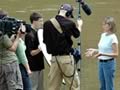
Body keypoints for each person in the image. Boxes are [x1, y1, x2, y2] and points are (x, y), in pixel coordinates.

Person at [43, 4, 83, 90]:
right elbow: (77, 34)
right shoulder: (70, 23)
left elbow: (45, 41)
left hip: (53, 60)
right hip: (66, 60)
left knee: (53, 87)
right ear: (68, 14)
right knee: (74, 86)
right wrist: (79, 25)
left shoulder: (46, 24)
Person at [85, 16, 119, 90]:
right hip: (100, 63)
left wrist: (102, 54)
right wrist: (94, 50)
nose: (102, 26)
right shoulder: (103, 35)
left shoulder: (113, 38)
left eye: (104, 24)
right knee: (102, 86)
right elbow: (102, 49)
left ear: (109, 26)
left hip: (109, 64)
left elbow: (116, 54)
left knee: (109, 87)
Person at [0, 10, 23, 90]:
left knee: (3, 86)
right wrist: (18, 37)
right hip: (10, 63)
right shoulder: (2, 36)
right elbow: (12, 48)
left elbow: (6, 44)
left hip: (2, 64)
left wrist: (14, 36)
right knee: (15, 86)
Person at [25, 12, 44, 90]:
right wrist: (40, 48)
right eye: (40, 21)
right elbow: (31, 53)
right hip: (33, 67)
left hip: (40, 65)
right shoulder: (29, 35)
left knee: (40, 88)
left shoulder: (39, 33)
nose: (42, 23)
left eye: (42, 21)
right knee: (33, 87)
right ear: (34, 21)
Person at [11, 25, 32, 90]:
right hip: (20, 66)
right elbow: (22, 57)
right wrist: (28, 69)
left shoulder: (14, 38)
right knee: (27, 86)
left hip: (15, 65)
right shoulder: (18, 42)